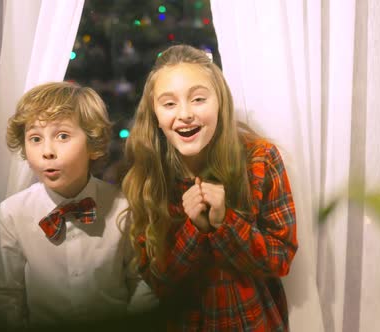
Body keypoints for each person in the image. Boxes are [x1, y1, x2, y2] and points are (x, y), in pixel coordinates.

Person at [121, 44, 298, 331]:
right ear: (154, 115)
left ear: (220, 103)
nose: (185, 113)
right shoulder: (148, 177)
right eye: (169, 104)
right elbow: (159, 282)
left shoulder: (260, 159)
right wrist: (197, 229)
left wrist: (225, 223)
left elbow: (281, 261)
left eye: (198, 99)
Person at [0, 81, 157, 330]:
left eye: (62, 136)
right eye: (35, 138)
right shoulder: (12, 213)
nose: (47, 151)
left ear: (93, 144)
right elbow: (6, 296)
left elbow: (142, 281)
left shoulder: (123, 207)